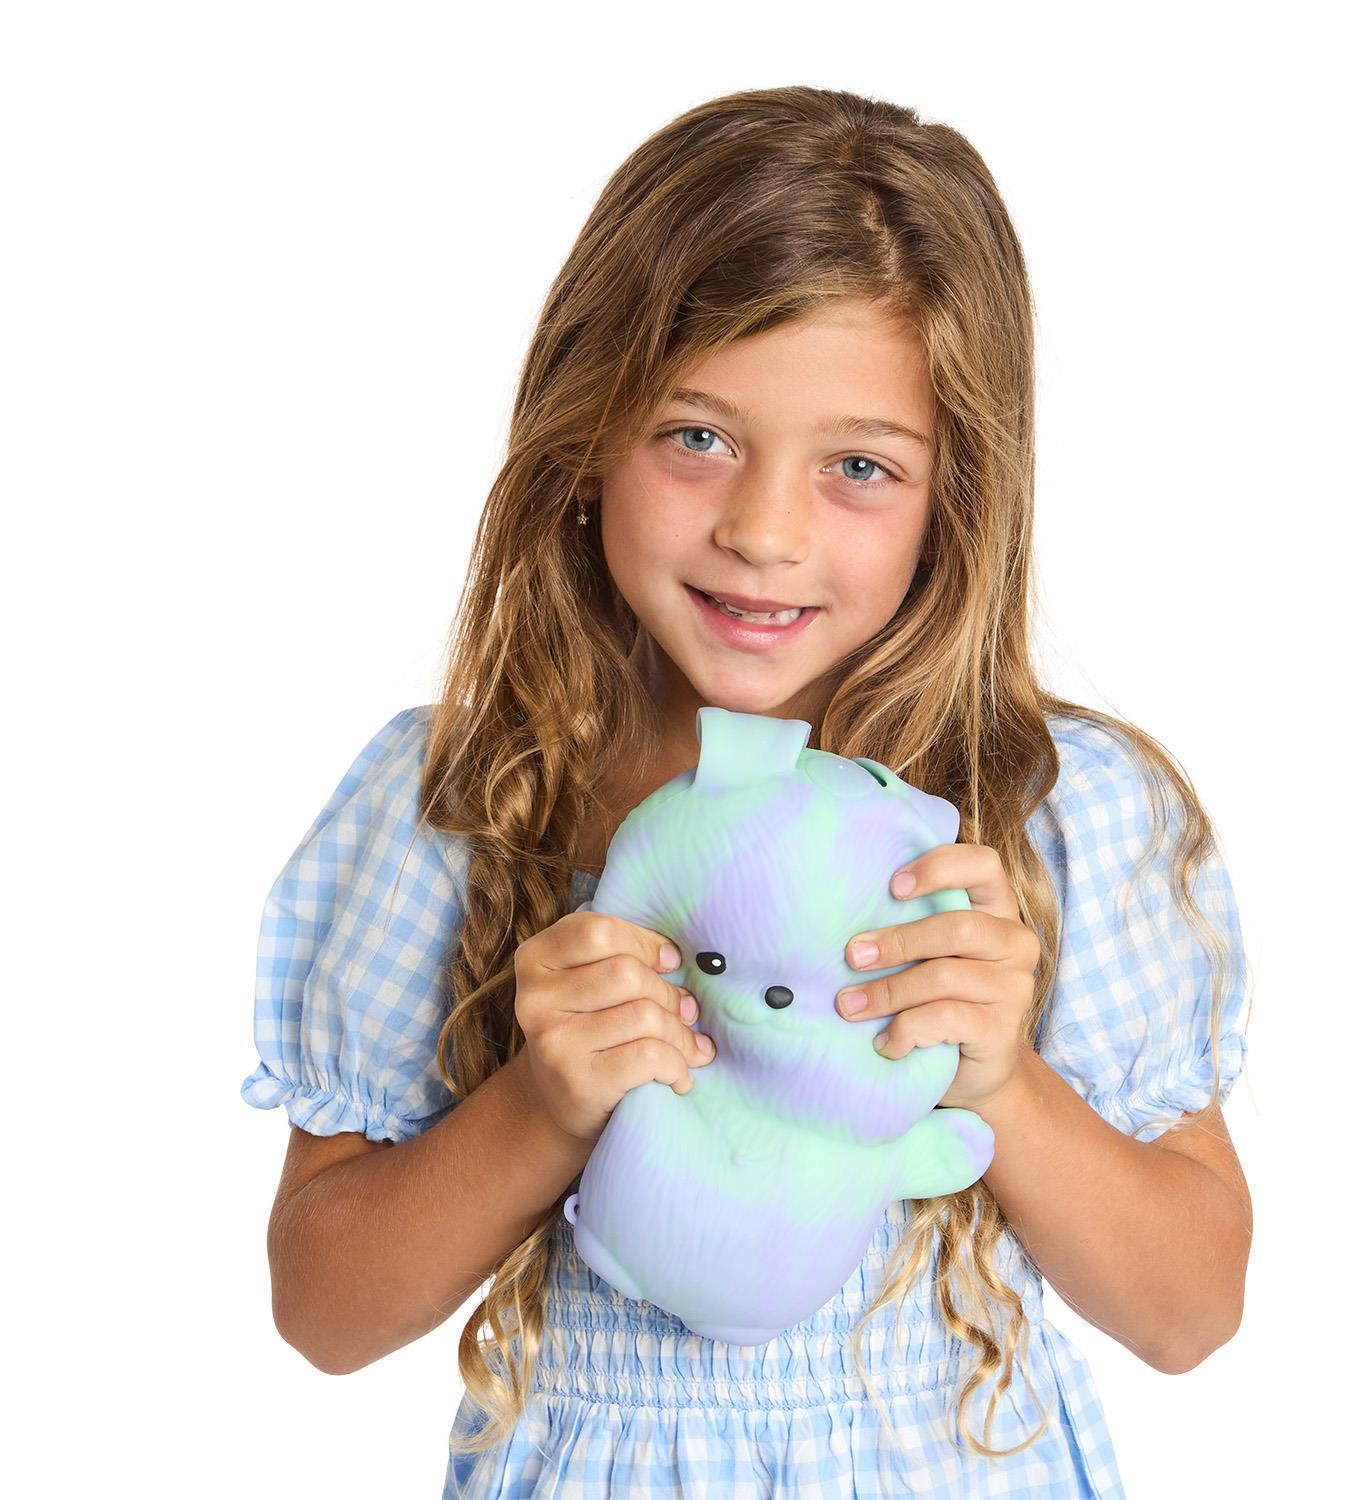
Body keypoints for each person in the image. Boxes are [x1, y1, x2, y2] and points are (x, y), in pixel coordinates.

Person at [240, 84, 1254, 1499]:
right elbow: (324, 1310)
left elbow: (1190, 1312)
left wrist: (1004, 1082)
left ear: (955, 496)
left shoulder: (1056, 810)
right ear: (587, 435)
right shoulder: (467, 800)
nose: (764, 532)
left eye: (860, 466)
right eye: (698, 437)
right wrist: (541, 1105)